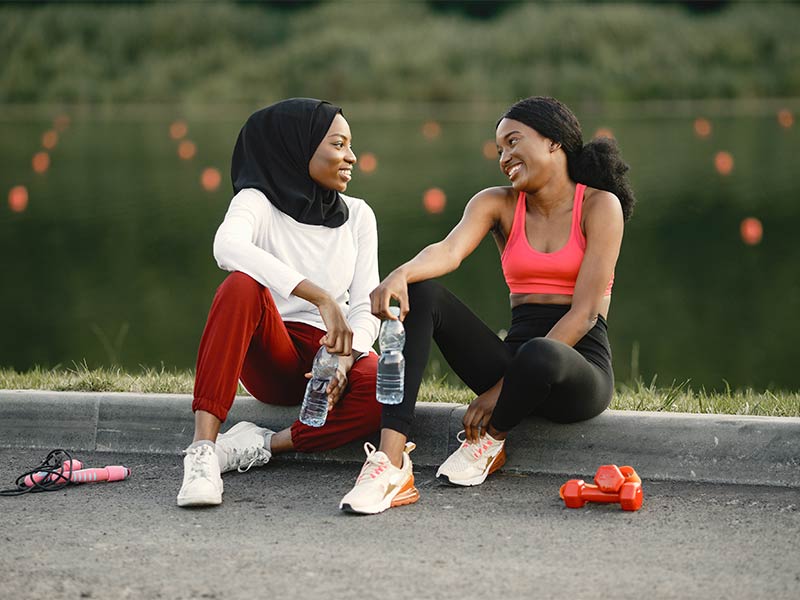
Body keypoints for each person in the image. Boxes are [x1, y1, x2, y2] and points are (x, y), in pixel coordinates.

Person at [339, 96, 635, 515]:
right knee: (425, 293)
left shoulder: (599, 205)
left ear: (554, 142)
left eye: (513, 142)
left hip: (576, 371)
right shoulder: (496, 203)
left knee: (540, 352)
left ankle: (490, 440)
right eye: (499, 150)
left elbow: (585, 313)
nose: (505, 157)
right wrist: (402, 274)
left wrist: (497, 395)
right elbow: (449, 250)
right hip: (515, 361)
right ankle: (390, 464)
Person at [177, 98, 381, 507]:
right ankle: (201, 453)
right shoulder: (256, 201)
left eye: (350, 146)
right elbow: (226, 245)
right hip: (272, 350)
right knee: (241, 285)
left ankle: (260, 445)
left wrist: (345, 358)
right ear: (298, 148)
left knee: (383, 385)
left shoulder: (358, 215)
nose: (352, 157)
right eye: (339, 145)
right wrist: (318, 295)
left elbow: (364, 306)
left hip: (328, 357)